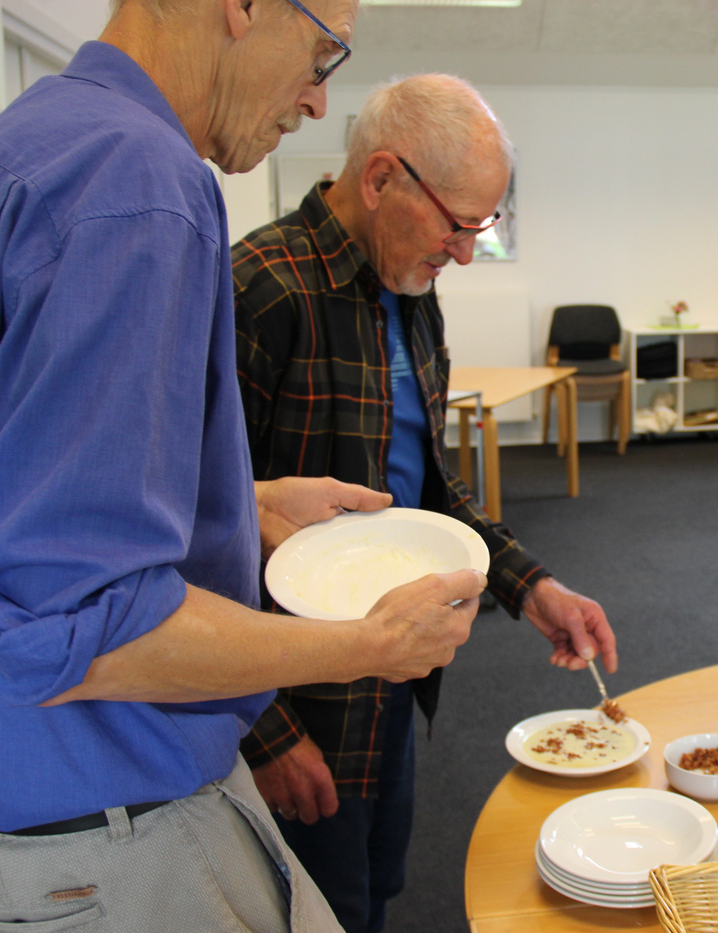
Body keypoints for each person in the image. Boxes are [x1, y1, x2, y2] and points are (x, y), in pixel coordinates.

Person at [0, 2, 490, 930]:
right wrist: (366, 644)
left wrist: (240, 499)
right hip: (107, 825)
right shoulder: (138, 183)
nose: (315, 97)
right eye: (324, 50)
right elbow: (70, 624)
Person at [232, 74, 618, 933]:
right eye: (459, 224)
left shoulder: (410, 295)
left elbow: (427, 490)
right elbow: (197, 533)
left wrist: (531, 586)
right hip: (298, 697)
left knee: (375, 891)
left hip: (391, 685)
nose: (468, 253)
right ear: (380, 180)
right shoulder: (261, 293)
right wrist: (263, 733)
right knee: (314, 911)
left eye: (483, 228)